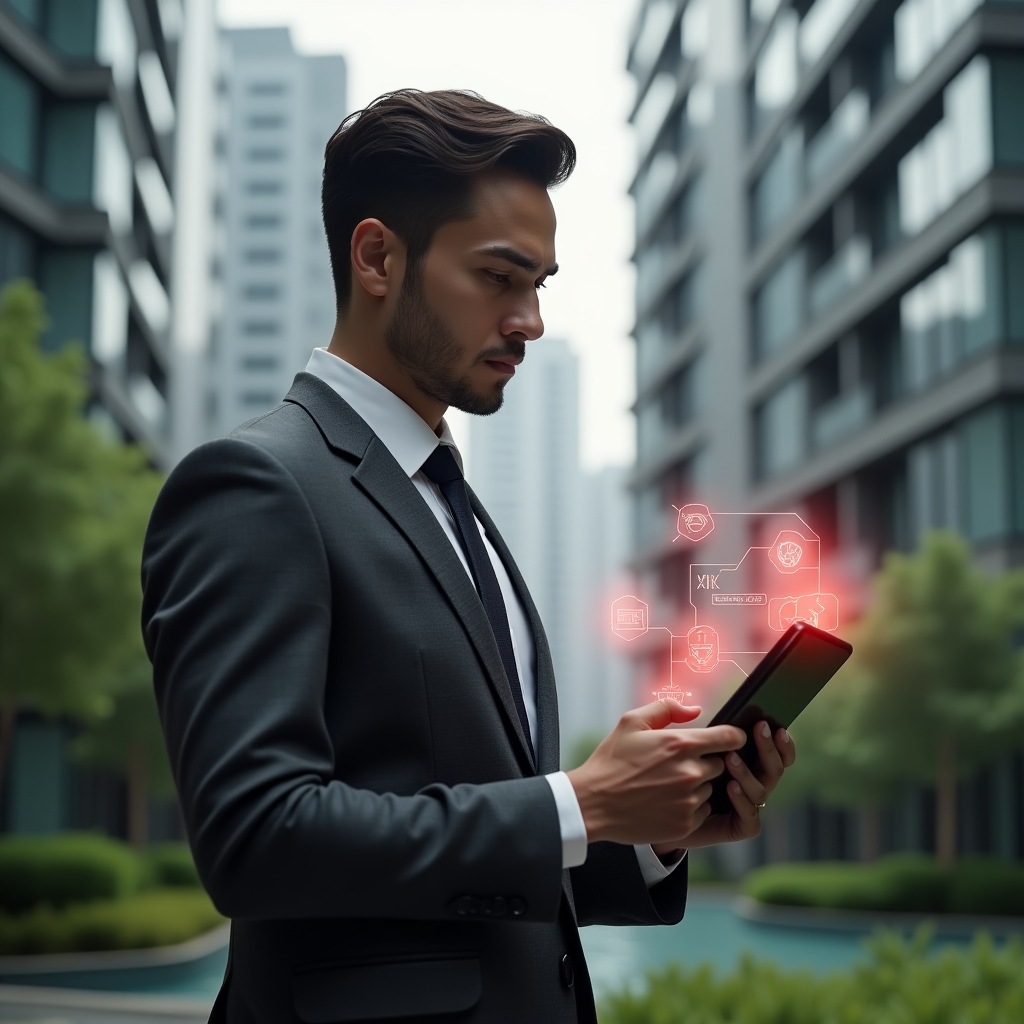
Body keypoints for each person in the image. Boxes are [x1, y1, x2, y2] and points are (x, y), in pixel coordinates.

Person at [142, 89, 796, 1024]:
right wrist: (578, 802)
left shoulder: (451, 504)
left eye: (541, 284)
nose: (529, 319)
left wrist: (648, 828)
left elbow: (494, 861)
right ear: (377, 257)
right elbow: (255, 836)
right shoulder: (254, 487)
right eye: (499, 277)